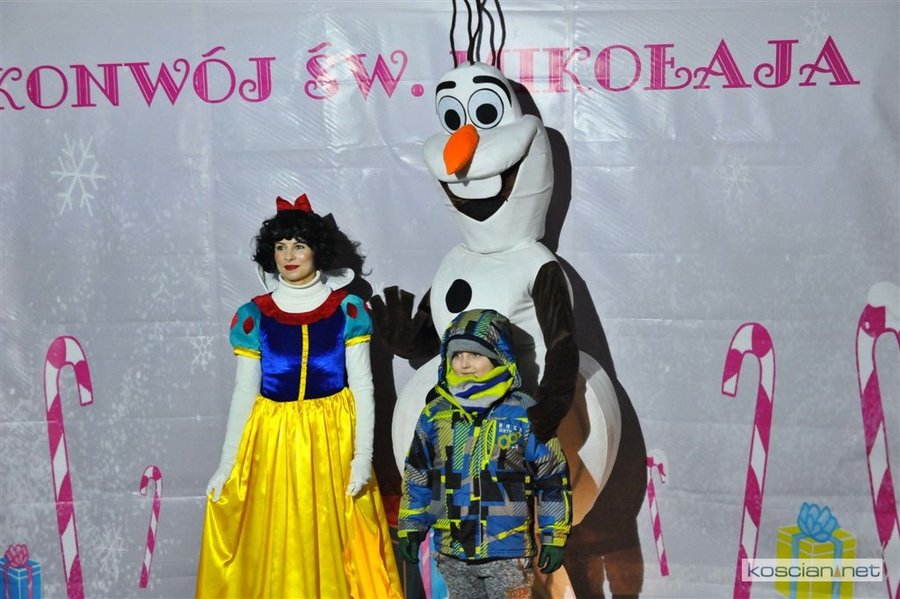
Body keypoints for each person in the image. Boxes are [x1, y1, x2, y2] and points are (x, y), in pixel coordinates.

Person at [195, 194, 403, 599]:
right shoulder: (254, 315)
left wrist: (362, 458)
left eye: (299, 245)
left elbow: (364, 387)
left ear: (316, 250)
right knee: (278, 543)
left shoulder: (348, 310)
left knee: (334, 542)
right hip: (273, 443)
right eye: (280, 246)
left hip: (332, 440)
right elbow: (244, 392)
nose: (289, 256)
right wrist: (227, 463)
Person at [396, 308, 572, 598]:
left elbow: (552, 477)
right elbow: (418, 474)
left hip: (507, 551)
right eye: (457, 355)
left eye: (475, 354)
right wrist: (412, 526)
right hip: (452, 550)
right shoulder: (436, 414)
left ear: (499, 357)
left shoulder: (524, 413)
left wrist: (555, 536)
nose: (464, 363)